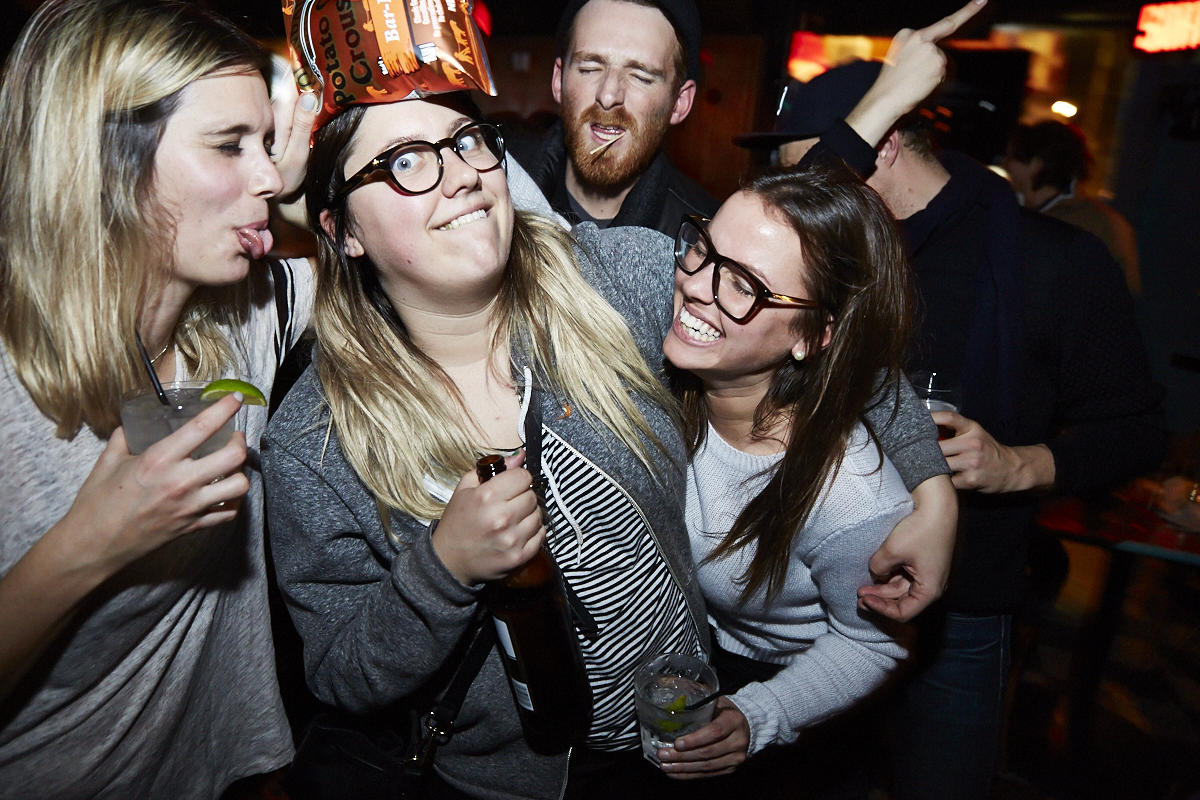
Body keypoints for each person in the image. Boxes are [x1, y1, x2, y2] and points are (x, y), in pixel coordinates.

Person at [260, 76, 954, 797]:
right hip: (502, 783)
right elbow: (340, 675)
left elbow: (820, 336)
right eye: (406, 161)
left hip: (668, 749)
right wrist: (444, 566)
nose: (463, 173)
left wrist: (932, 492)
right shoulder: (313, 441)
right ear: (342, 230)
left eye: (468, 142)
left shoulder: (616, 280)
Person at [742, 53, 1166, 800]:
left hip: (961, 614)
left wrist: (1019, 465)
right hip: (808, 605)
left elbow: (1135, 429)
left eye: (822, 174)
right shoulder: (825, 264)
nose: (797, 210)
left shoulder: (1050, 264)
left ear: (889, 145)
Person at [0, 0, 319, 797]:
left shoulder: (247, 319)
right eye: (228, 144)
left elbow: (455, 241)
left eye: (268, 145)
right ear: (105, 158)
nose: (269, 177)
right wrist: (88, 547)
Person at [649, 163, 918, 796]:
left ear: (811, 334)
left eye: (744, 285)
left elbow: (876, 643)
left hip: (791, 697)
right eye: (702, 249)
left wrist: (762, 715)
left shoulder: (851, 492)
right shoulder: (669, 383)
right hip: (692, 659)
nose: (697, 287)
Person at [507, 0, 718, 234]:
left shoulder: (704, 244)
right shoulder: (492, 182)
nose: (608, 96)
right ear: (559, 81)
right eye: (589, 68)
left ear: (679, 103)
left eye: (641, 77)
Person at [1004, 120, 1141, 294]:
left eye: (1012, 157)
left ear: (1037, 164)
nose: (1006, 164)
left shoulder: (1092, 224)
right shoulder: (1032, 212)